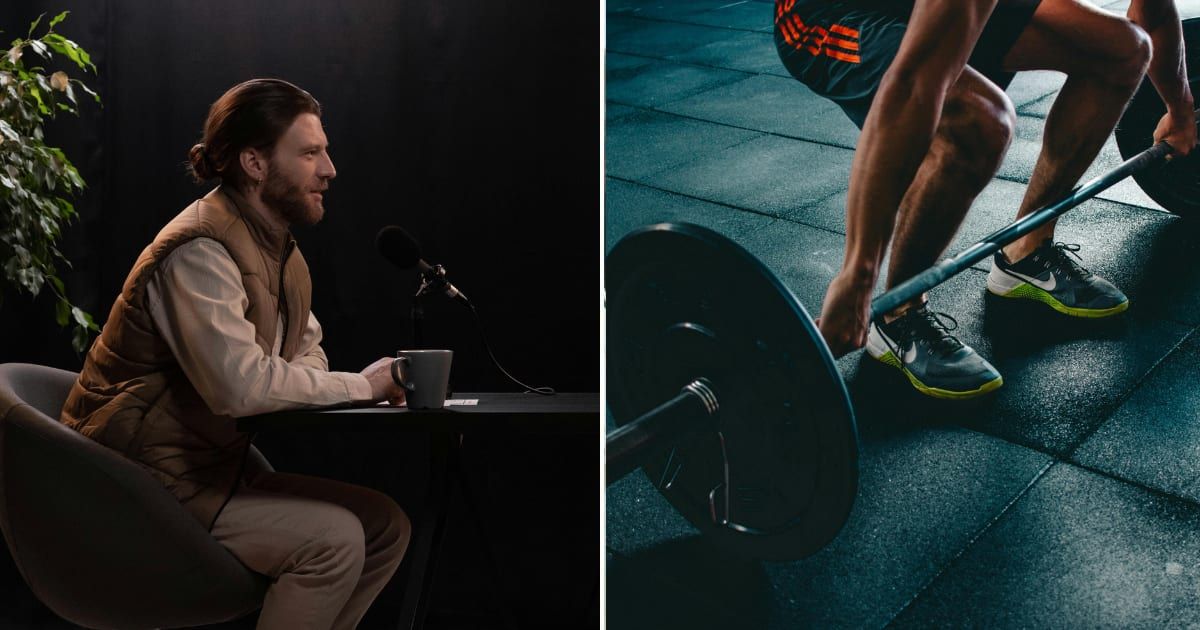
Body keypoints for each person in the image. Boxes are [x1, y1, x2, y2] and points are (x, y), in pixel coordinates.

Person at [59, 78, 410, 629]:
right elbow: (241, 388)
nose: (330, 169)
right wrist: (363, 386)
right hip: (137, 482)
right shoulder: (199, 250)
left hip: (209, 470)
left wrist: (285, 376)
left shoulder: (282, 255)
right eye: (311, 152)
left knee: (384, 526)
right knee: (335, 542)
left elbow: (305, 357)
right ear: (254, 162)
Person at [774, 0, 1195, 398]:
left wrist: (1180, 109)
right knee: (981, 120)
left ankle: (1026, 251)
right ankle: (898, 315)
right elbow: (916, 83)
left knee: (1122, 50)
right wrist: (858, 274)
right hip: (829, 13)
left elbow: (1153, 16)